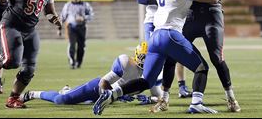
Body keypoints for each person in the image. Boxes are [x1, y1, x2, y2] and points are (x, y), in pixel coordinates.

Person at [92, 0, 223, 115]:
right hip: (171, 34)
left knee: (147, 81)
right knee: (201, 67)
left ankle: (112, 94)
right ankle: (196, 103)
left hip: (155, 37)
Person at [181, 0, 240, 112]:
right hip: (189, 15)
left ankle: (230, 97)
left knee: (217, 58)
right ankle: (164, 97)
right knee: (173, 54)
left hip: (212, 14)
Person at [20, 42, 162, 105]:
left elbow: (158, 97)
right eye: (143, 57)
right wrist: (115, 95)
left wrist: (148, 100)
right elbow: (103, 83)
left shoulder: (154, 72)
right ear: (137, 54)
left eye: (147, 58)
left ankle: (68, 90)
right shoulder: (125, 63)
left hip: (110, 98)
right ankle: (32, 94)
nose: (144, 61)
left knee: (82, 102)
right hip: (98, 89)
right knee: (62, 100)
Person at [137, 0, 192, 99]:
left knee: (175, 55)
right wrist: (166, 0)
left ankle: (179, 87)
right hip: (153, 21)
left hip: (172, 22)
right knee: (153, 57)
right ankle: (142, 89)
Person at [60, 0, 94, 69]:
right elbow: (62, 17)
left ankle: (79, 62)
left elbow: (91, 15)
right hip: (71, 27)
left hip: (82, 27)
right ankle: (72, 62)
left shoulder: (85, 5)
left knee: (81, 46)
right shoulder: (67, 5)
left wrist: (84, 18)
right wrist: (59, 28)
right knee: (72, 44)